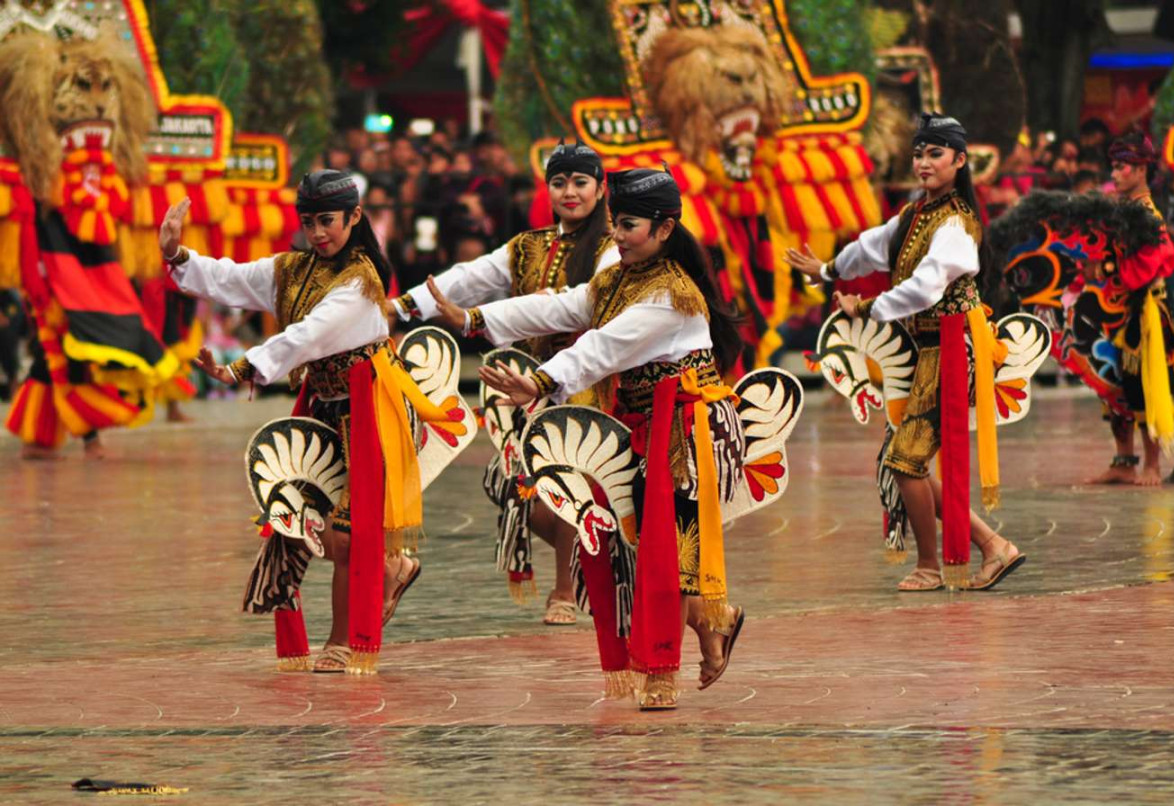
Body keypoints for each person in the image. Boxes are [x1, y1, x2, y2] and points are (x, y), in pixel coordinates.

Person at [439, 166, 747, 710]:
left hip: (684, 428)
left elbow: (604, 346)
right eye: (616, 224)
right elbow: (562, 306)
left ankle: (660, 671)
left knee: (665, 551)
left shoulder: (671, 295)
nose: (618, 235)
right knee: (637, 546)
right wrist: (476, 318)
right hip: (636, 421)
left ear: (665, 228)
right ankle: (715, 620)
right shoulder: (619, 278)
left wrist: (538, 380)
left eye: (628, 225)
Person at [160, 169, 450, 674]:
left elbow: (307, 336)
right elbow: (235, 278)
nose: (318, 233)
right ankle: (392, 568)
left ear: (355, 217)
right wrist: (177, 256)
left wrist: (240, 368)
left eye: (329, 222)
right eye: (310, 222)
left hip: (373, 406)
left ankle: (343, 640)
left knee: (343, 537)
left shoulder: (360, 281)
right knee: (296, 521)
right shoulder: (294, 268)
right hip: (326, 404)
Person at [788, 115, 1023, 593]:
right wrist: (829, 269)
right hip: (931, 350)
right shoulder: (916, 215)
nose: (923, 163)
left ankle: (933, 564)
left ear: (960, 161)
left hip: (956, 349)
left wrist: (869, 306)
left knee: (904, 460)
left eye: (935, 154)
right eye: (919, 153)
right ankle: (992, 546)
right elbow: (874, 247)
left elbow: (924, 288)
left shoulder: (956, 223)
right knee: (905, 459)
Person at [392, 141, 619, 625]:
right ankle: (596, 556)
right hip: (521, 383)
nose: (570, 192)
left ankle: (564, 590)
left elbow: (577, 304)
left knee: (565, 480)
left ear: (601, 189)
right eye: (559, 183)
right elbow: (469, 277)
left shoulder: (612, 249)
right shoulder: (527, 246)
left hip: (582, 378)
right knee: (509, 485)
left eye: (581, 182)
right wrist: (401, 308)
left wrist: (477, 319)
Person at [1087, 131, 1174, 486]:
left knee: (1144, 383)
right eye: (1113, 167)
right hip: (1116, 307)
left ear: (1141, 169)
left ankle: (1153, 465)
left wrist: (1109, 269)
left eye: (1122, 167)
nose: (1114, 174)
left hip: (1141, 310)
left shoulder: (1146, 214)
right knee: (1114, 383)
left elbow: (1145, 269)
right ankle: (1124, 460)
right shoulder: (1124, 210)